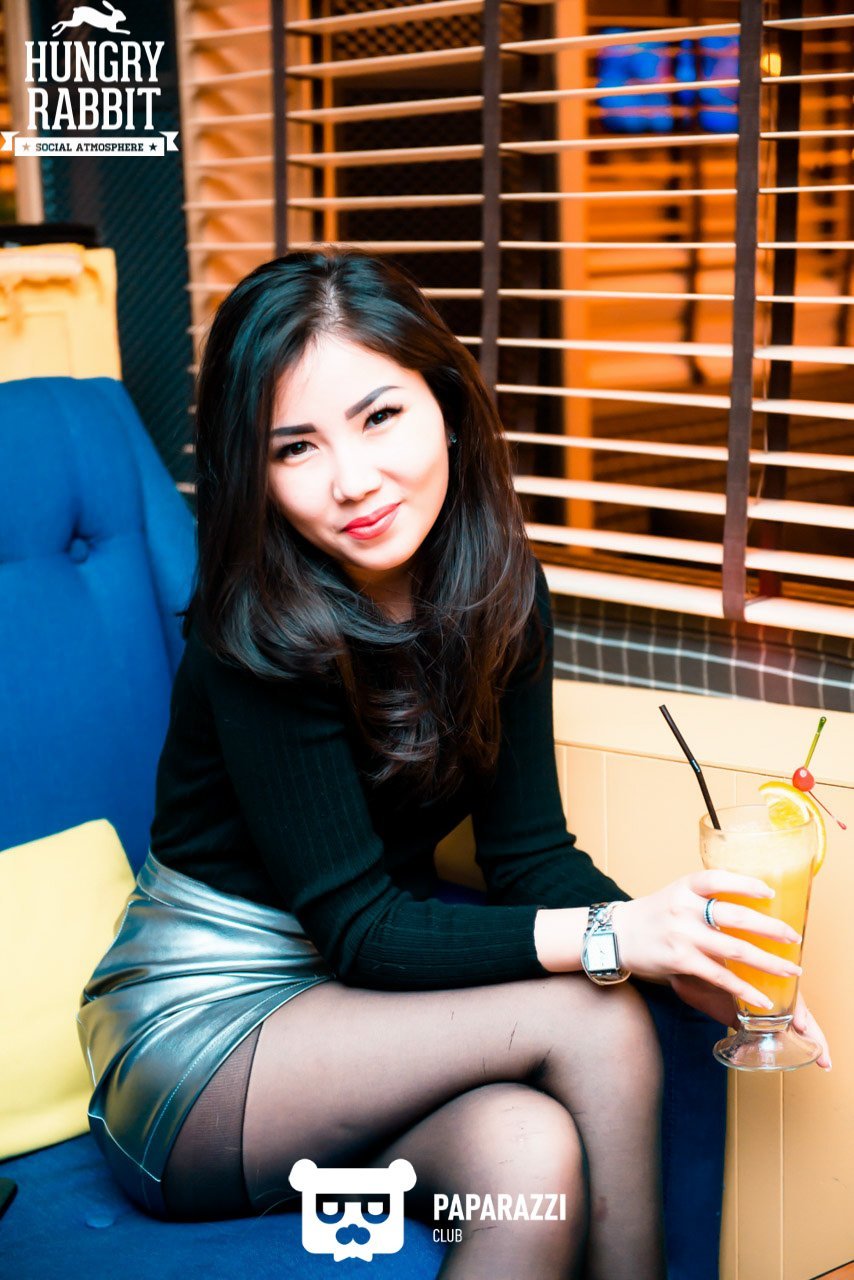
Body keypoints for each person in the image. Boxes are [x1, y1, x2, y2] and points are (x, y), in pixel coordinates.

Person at [77, 246, 830, 1280]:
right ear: (257, 473)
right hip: (200, 1050)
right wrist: (621, 939)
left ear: (446, 403)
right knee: (591, 1007)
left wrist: (686, 954)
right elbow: (361, 929)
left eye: (380, 416)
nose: (352, 480)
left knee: (527, 1152)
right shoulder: (257, 635)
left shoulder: (503, 595)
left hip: (354, 1030)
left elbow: (529, 855)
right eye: (295, 447)